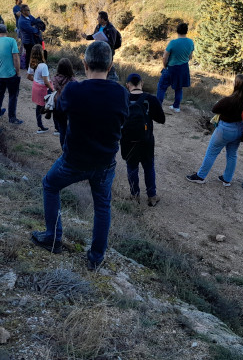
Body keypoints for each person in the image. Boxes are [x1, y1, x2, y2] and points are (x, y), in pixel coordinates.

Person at [31, 41, 129, 270]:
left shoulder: (74, 90)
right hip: (105, 162)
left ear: (84, 64)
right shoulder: (121, 93)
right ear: (111, 65)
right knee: (102, 206)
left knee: (50, 185)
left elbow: (61, 110)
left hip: (74, 159)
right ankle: (96, 258)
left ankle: (53, 237)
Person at [187, 74, 243, 187]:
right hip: (239, 130)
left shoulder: (229, 100)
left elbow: (214, 109)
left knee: (212, 152)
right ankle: (227, 179)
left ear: (236, 84)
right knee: (232, 155)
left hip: (225, 129)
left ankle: (200, 176)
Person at [121, 73, 166, 206]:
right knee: (148, 166)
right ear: (142, 83)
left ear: (127, 85)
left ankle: (135, 195)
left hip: (127, 141)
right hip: (146, 140)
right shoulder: (150, 99)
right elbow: (161, 119)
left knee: (132, 167)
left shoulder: (123, 98)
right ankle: (152, 196)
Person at [0, 24, 23, 125]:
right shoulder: (11, 41)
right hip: (10, 74)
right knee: (13, 96)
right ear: (6, 32)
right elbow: (16, 58)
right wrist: (18, 72)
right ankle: (12, 118)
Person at [157, 22, 194, 113]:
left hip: (172, 68)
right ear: (186, 31)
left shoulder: (173, 43)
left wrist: (165, 66)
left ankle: (158, 107)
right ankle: (176, 107)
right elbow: (190, 56)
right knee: (179, 88)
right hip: (183, 68)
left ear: (177, 31)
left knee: (162, 87)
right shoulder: (190, 42)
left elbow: (165, 56)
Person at [86, 11, 120, 81]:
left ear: (102, 19)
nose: (97, 19)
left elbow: (112, 44)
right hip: (98, 50)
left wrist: (103, 42)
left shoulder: (111, 29)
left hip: (107, 52)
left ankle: (112, 81)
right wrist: (87, 37)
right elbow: (94, 36)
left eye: (98, 17)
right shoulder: (98, 26)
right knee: (98, 67)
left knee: (108, 68)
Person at [27, 44, 53, 133]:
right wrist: (52, 89)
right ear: (41, 53)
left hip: (36, 87)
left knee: (39, 106)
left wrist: (36, 81)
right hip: (44, 89)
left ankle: (40, 125)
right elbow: (46, 81)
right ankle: (57, 127)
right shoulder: (43, 66)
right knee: (52, 104)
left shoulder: (32, 64)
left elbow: (28, 76)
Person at [51, 58, 76, 145]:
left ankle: (63, 148)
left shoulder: (55, 78)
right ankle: (70, 147)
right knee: (71, 128)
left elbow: (54, 88)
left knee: (62, 129)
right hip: (70, 105)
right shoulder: (72, 80)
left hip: (59, 103)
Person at [17, 4, 41, 69]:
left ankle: (32, 67)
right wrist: (37, 31)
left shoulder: (29, 17)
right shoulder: (22, 21)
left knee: (33, 54)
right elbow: (31, 29)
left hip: (32, 39)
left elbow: (35, 21)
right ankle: (28, 68)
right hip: (27, 41)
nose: (29, 11)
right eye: (28, 10)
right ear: (23, 11)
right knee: (29, 54)